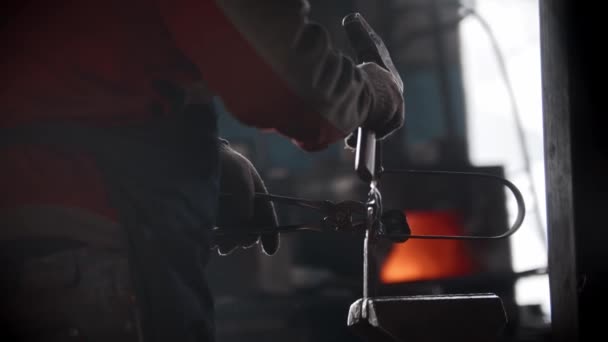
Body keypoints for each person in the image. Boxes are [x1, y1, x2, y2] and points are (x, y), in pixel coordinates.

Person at [0, 1, 404, 341]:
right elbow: (289, 87)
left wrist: (200, 159)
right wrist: (372, 94)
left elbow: (56, 72)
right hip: (82, 248)